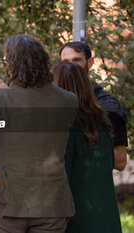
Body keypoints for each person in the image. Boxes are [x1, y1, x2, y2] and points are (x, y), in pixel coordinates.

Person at [0, 34, 78, 233]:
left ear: (13, 64)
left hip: (6, 203)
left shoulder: (3, 98)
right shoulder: (69, 100)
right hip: (52, 204)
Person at [53, 61, 122, 233]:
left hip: (78, 218)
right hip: (107, 217)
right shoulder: (103, 120)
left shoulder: (65, 124)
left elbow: (61, 178)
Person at [58, 41, 127, 171]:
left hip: (91, 185)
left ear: (90, 63)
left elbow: (120, 161)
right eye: (65, 62)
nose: (71, 66)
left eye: (76, 60)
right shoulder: (55, 100)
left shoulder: (108, 106)